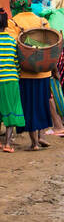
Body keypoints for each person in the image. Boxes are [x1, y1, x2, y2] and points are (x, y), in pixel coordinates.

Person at [7, 0, 63, 147]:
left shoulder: (13, 23)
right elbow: (51, 47)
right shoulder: (43, 21)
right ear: (30, 3)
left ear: (13, 4)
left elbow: (13, 48)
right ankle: (41, 136)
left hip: (25, 73)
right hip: (44, 71)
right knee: (42, 103)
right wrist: (54, 69)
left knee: (29, 106)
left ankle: (34, 143)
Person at [0, 10, 21, 152]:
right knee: (10, 111)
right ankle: (7, 144)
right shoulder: (12, 41)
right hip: (11, 80)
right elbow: (17, 63)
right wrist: (17, 75)